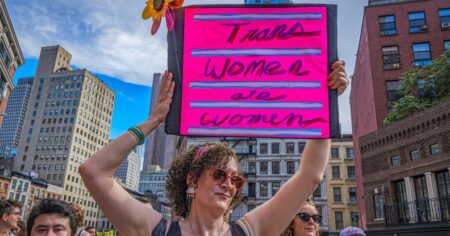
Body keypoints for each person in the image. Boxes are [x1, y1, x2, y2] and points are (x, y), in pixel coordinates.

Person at [80, 61, 349, 235]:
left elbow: (310, 175)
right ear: (192, 180)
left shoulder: (249, 231)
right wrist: (154, 120)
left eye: (236, 179)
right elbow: (94, 171)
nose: (229, 184)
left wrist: (327, 102)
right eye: (219, 174)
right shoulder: (157, 230)